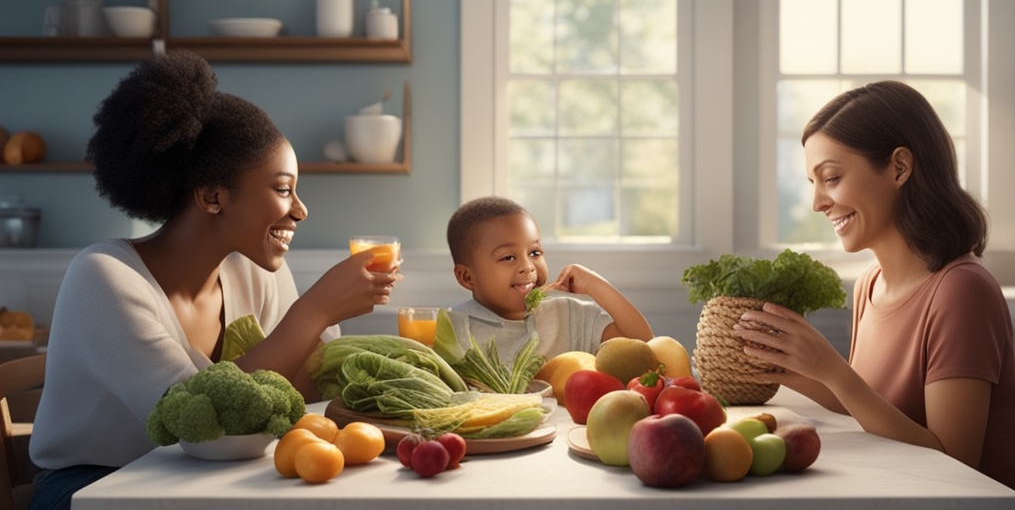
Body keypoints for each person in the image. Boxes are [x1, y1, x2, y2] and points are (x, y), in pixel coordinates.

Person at [27, 50, 399, 509]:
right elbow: (197, 424)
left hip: (198, 480)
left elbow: (302, 391)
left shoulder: (255, 271)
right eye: (283, 189)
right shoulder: (104, 277)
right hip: (90, 486)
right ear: (212, 196)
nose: (300, 210)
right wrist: (316, 309)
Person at [732, 81, 1015, 494]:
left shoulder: (961, 292)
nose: (818, 202)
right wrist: (791, 368)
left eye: (831, 177)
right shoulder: (870, 284)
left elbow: (956, 463)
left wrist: (832, 369)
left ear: (899, 168)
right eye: (813, 182)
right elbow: (876, 405)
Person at [444, 196, 653, 361]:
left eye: (535, 253)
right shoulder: (452, 328)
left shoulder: (569, 315)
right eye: (508, 257)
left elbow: (644, 345)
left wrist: (595, 284)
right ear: (467, 277)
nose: (527, 267)